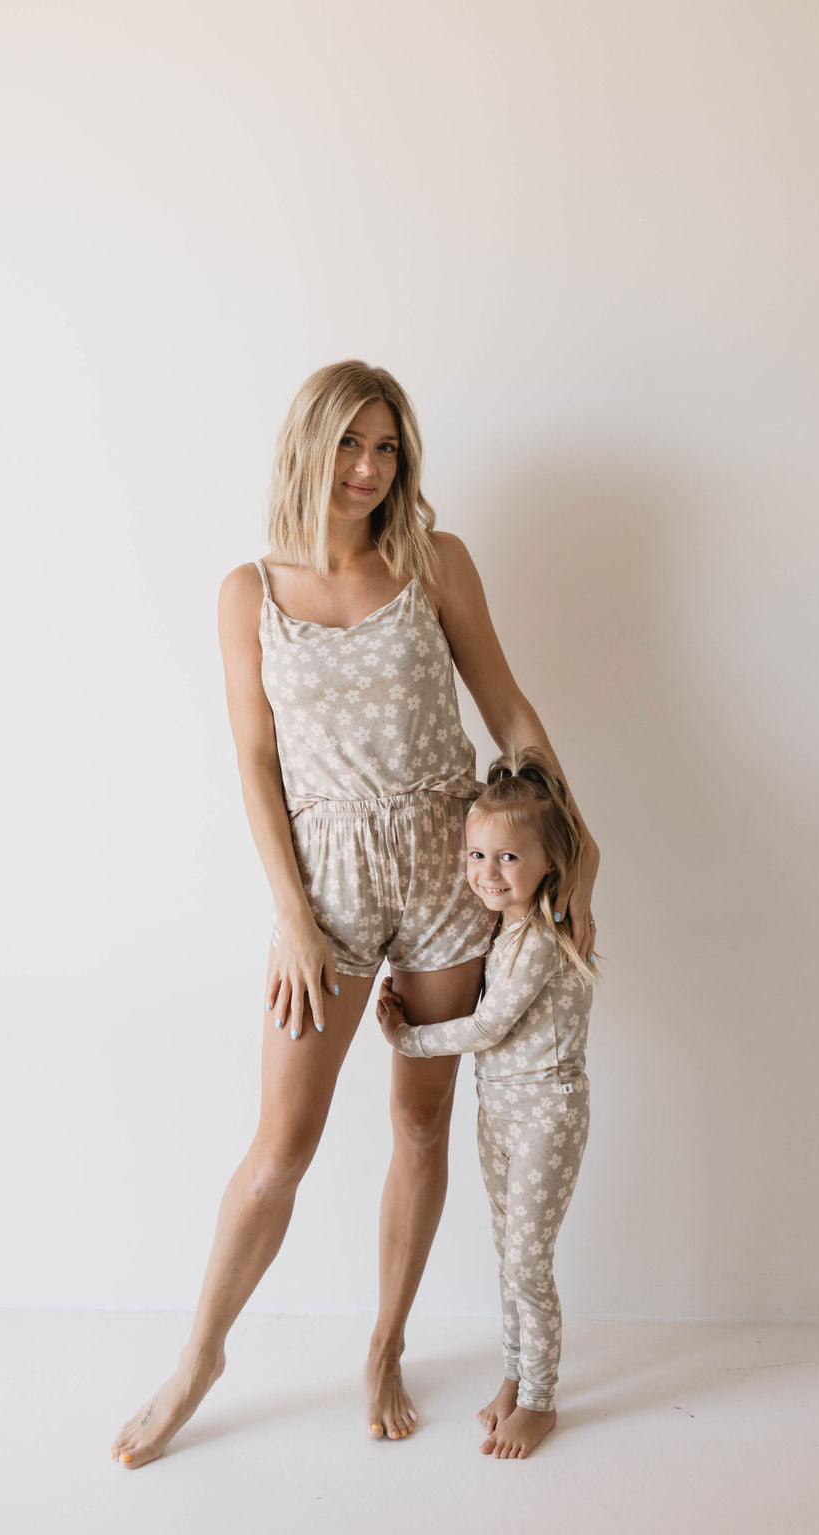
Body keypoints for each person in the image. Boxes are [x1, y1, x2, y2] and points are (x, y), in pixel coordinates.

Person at [110, 361, 598, 1469]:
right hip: (325, 883)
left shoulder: (434, 562)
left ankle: (382, 1344)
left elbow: (507, 705)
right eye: (350, 445)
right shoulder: (249, 590)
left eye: (387, 448)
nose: (370, 468)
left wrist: (573, 833)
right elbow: (252, 760)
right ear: (308, 445)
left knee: (421, 1122)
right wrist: (290, 915)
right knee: (280, 1147)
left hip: (449, 869)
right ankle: (199, 1354)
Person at [377, 748, 595, 1460]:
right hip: (498, 1107)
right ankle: (514, 1374)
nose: (487, 873)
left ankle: (540, 1398)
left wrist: (407, 1038)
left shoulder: (538, 936)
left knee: (529, 1260)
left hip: (546, 1110)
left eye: (507, 858)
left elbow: (487, 1026)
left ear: (548, 864)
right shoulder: (499, 932)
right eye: (477, 854)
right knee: (509, 1254)